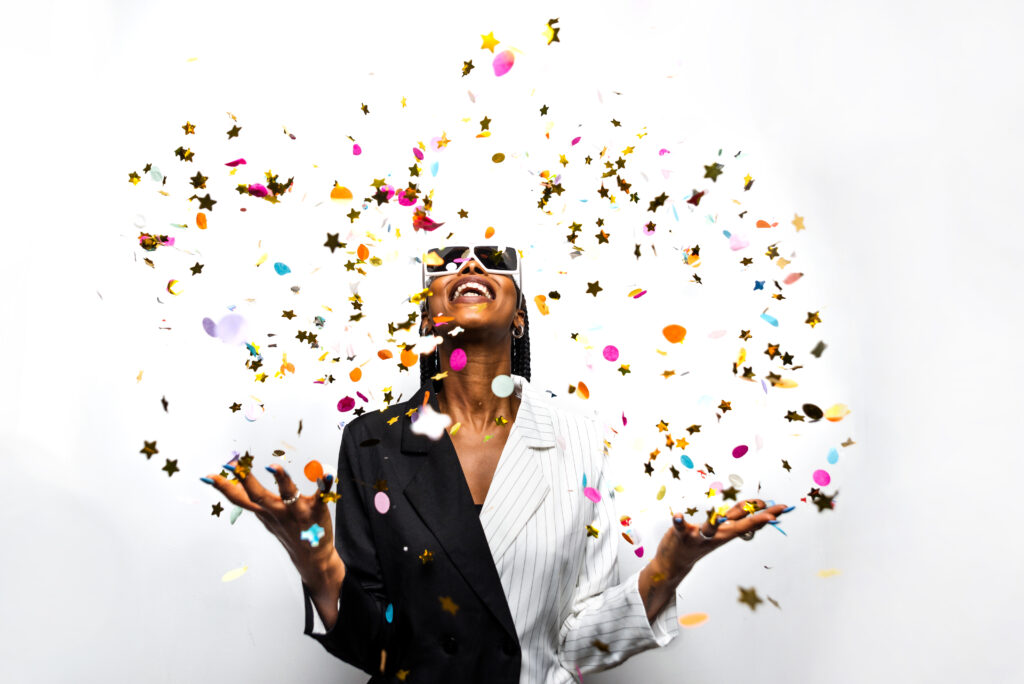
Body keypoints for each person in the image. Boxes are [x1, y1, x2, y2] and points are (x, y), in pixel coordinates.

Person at [203, 245, 791, 683]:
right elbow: (376, 647)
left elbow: (578, 643)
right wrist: (320, 563)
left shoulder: (577, 439)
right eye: (446, 260)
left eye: (492, 257)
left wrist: (670, 565)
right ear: (430, 312)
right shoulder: (371, 442)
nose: (468, 264)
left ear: (519, 316)